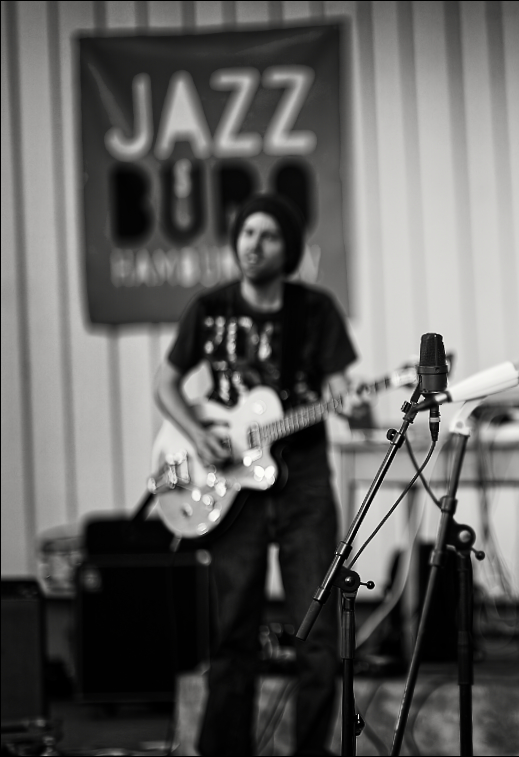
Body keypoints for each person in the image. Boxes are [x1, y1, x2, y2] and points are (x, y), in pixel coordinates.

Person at [155, 194, 361, 756]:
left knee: (316, 632)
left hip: (306, 481)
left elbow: (342, 387)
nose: (253, 244)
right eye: (247, 233)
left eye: (268, 235)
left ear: (288, 248)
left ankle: (311, 750)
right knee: (231, 632)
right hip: (229, 483)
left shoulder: (314, 309)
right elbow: (165, 384)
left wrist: (353, 405)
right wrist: (199, 437)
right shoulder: (209, 307)